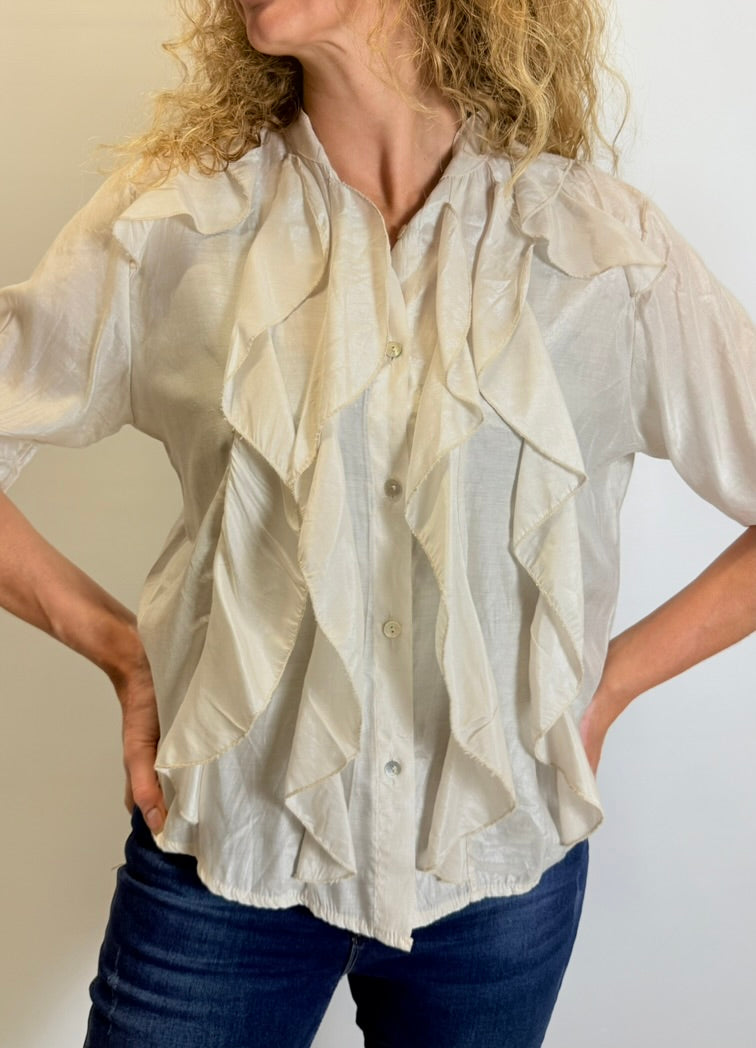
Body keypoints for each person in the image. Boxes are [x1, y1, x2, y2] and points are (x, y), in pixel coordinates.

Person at [1, 0, 755, 1045]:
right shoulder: (170, 228)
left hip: (499, 871)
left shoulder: (604, 249)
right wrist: (125, 656)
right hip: (225, 858)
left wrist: (610, 684)